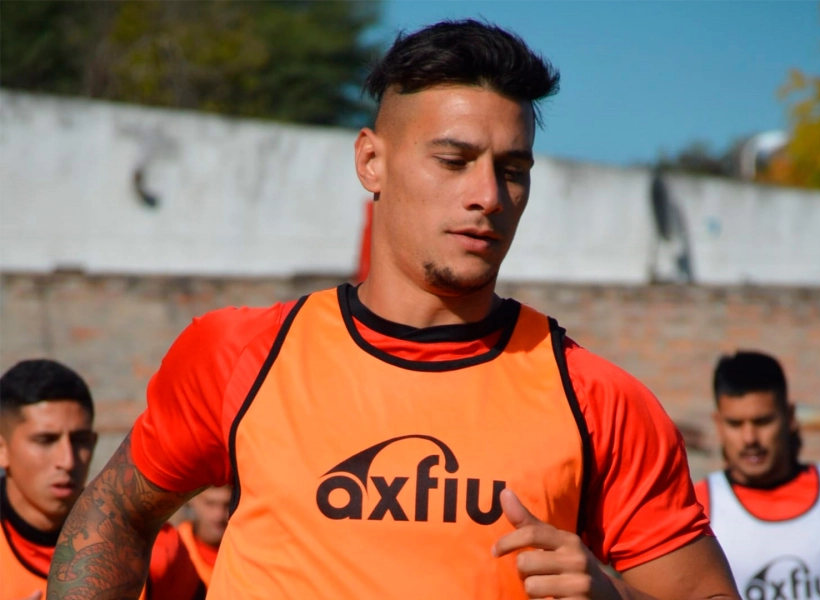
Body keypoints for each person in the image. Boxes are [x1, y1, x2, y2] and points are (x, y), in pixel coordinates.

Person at [48, 20, 739, 600]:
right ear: (371, 162)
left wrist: (615, 597)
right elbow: (114, 513)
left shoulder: (599, 401)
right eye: (453, 161)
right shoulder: (240, 355)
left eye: (513, 169)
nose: (488, 196)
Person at [695, 350, 820, 600]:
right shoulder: (698, 507)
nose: (749, 439)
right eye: (735, 424)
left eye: (762, 422)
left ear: (790, 416)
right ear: (718, 423)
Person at [0, 359, 203, 600]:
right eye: (46, 440)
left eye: (80, 440)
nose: (67, 461)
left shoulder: (153, 546)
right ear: (2, 448)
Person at [176, 485, 231, 588]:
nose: (219, 515)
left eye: (227, 505)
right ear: (192, 500)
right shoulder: (174, 548)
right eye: (210, 503)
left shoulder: (246, 551)